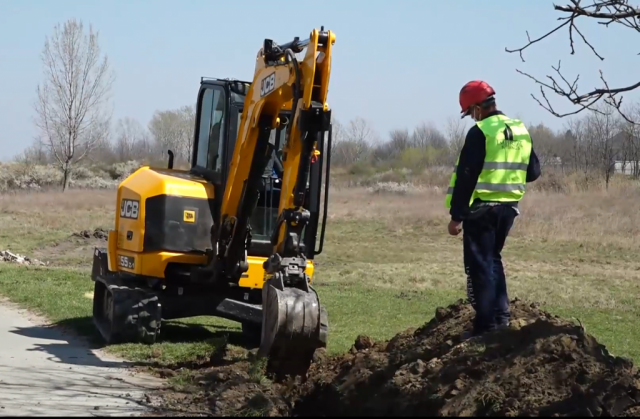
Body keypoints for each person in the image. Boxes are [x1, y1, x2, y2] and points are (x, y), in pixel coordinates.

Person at [444, 80, 541, 339]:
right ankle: (502, 318)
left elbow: (466, 176)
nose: (471, 118)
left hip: (482, 209)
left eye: (470, 113)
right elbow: (533, 172)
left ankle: (487, 327)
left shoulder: (481, 132)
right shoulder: (520, 129)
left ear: (477, 108)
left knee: (481, 266)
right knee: (493, 259)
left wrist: (456, 216)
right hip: (509, 208)